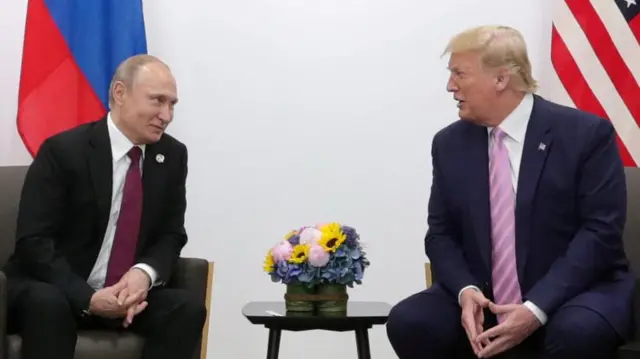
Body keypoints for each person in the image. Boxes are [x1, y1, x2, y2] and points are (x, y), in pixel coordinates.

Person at [386, 25, 634, 359]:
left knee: (576, 333)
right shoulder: (449, 144)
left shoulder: (585, 134)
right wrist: (465, 290)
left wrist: (536, 307)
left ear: (501, 79)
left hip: (575, 292)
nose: (450, 86)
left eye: (460, 74)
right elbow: (440, 234)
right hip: (485, 295)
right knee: (410, 321)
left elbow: (600, 233)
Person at [4, 54, 207, 359]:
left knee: (186, 308)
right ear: (120, 93)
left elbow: (171, 234)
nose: (166, 115)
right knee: (48, 304)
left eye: (172, 104)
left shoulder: (172, 156)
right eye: (157, 101)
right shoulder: (63, 151)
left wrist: (143, 274)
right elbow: (34, 243)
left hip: (125, 297)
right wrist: (88, 298)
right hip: (56, 289)